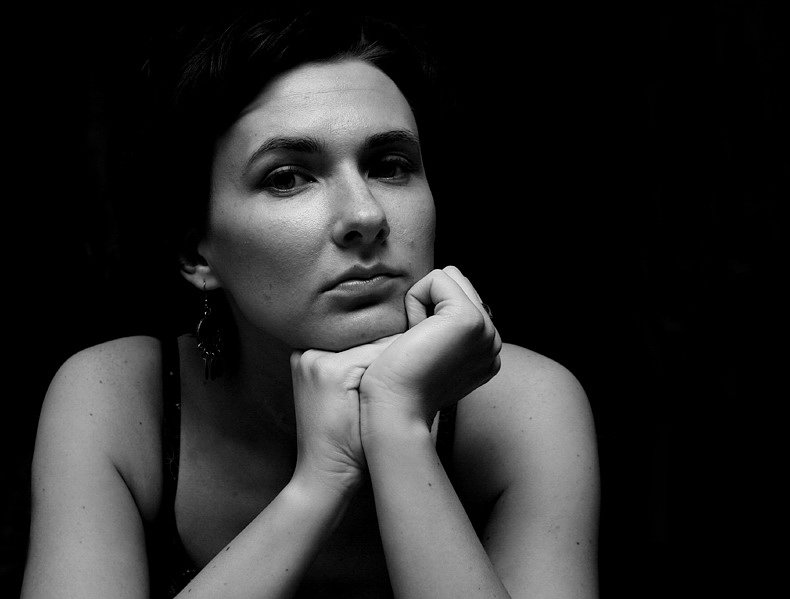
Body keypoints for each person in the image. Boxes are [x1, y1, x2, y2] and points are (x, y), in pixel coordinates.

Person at [21, 7, 599, 598]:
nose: (366, 215)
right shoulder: (118, 401)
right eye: (288, 178)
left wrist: (397, 426)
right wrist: (320, 481)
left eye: (390, 166)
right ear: (197, 253)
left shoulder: (522, 408)